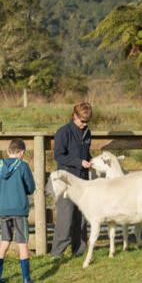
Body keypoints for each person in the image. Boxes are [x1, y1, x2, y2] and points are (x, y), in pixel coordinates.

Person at [0, 138, 36, 283]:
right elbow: (31, 188)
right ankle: (26, 279)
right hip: (19, 210)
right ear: (21, 152)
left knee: (4, 242)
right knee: (22, 243)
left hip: (4, 210)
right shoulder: (23, 166)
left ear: (8, 151)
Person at [50, 101, 92, 257]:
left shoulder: (87, 132)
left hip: (82, 180)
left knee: (81, 217)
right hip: (66, 180)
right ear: (74, 116)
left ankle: (79, 250)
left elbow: (86, 153)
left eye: (87, 121)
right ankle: (57, 253)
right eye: (82, 121)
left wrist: (91, 161)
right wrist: (79, 162)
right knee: (65, 218)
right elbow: (59, 156)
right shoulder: (63, 132)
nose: (84, 124)